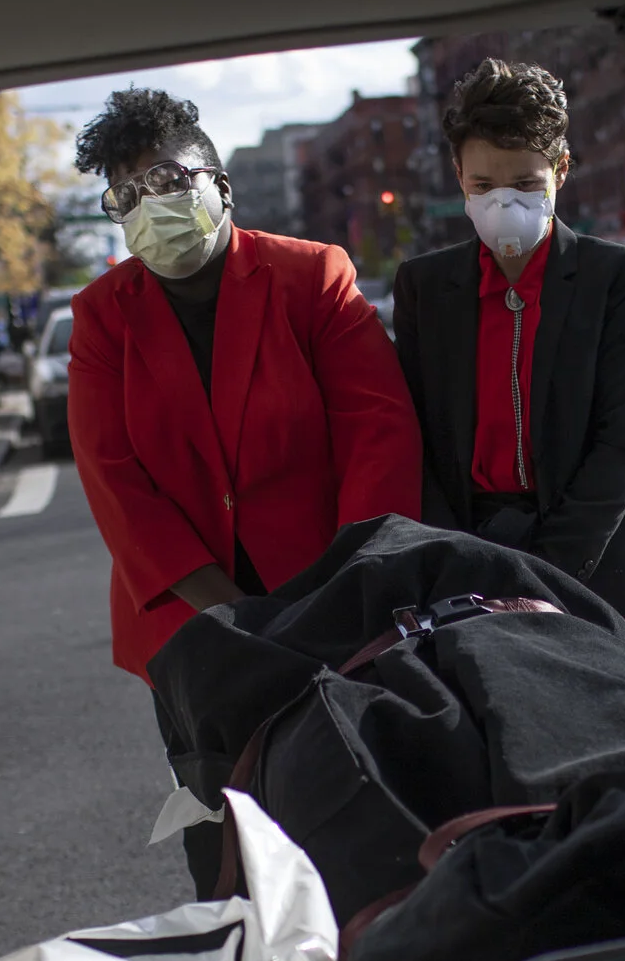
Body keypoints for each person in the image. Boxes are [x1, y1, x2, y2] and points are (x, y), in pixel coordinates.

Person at [66, 88, 423, 889]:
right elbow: (114, 480)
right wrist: (232, 615)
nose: (148, 205)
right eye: (125, 196)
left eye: (166, 180)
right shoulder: (101, 317)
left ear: (219, 185)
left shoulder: (310, 275)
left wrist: (333, 592)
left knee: (353, 818)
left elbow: (378, 431)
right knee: (225, 833)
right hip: (194, 624)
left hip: (333, 603)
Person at [392, 60, 625, 654]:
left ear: (561, 170)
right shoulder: (426, 285)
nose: (504, 204)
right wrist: (465, 561)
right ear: (458, 176)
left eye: (525, 185)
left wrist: (545, 573)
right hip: (472, 565)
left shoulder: (615, 275)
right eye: (482, 187)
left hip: (597, 567)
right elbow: (413, 435)